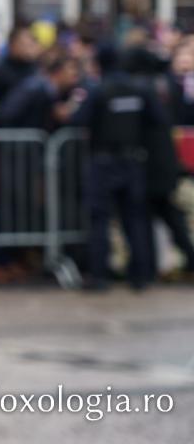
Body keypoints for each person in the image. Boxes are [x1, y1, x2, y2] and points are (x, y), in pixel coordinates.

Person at [72, 45, 164, 291]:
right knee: (135, 219)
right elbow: (157, 119)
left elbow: (78, 119)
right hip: (132, 160)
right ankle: (140, 276)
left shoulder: (98, 90)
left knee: (100, 219)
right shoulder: (139, 90)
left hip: (103, 162)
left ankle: (99, 276)